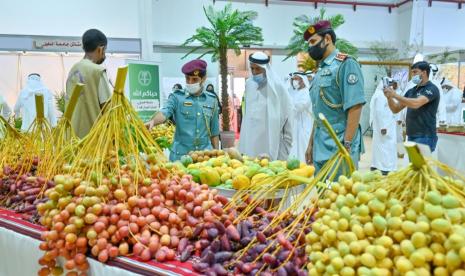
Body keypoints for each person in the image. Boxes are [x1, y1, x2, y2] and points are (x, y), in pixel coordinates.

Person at [303, 20, 366, 173]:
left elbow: (355, 106)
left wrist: (347, 146)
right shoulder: (321, 70)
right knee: (323, 192)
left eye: (313, 41)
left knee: (340, 193)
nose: (310, 47)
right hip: (320, 143)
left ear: (327, 39)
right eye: (308, 43)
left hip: (340, 143)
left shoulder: (346, 64)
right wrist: (311, 143)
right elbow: (319, 113)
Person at [145, 59, 220, 161]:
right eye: (187, 78)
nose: (190, 82)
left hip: (205, 156)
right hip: (181, 155)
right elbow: (165, 112)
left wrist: (216, 155)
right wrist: (153, 121)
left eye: (194, 79)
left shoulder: (211, 100)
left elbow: (214, 131)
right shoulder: (177, 97)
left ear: (203, 78)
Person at [238, 52, 293, 160]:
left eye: (258, 69)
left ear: (266, 68)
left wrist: (286, 146)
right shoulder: (249, 84)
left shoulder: (278, 87)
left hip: (268, 140)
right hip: (251, 139)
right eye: (252, 68)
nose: (254, 72)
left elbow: (288, 115)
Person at [383, 61, 440, 152]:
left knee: (421, 165)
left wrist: (395, 95)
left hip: (425, 136)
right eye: (412, 72)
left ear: (424, 72)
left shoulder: (431, 88)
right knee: (415, 165)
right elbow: (395, 109)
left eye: (415, 72)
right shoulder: (411, 91)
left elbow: (416, 103)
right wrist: (389, 98)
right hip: (412, 135)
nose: (413, 75)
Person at [66, 29, 112, 138]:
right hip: (91, 142)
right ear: (101, 49)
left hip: (71, 140)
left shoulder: (73, 70)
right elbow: (108, 109)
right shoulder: (98, 71)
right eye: (105, 50)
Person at [370, 81, 397, 175]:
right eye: (390, 85)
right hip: (385, 126)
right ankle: (385, 167)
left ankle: (377, 165)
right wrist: (383, 126)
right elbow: (379, 111)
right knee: (386, 147)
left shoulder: (379, 94)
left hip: (385, 124)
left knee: (380, 147)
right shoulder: (381, 95)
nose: (392, 87)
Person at [288, 72, 313, 162]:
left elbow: (301, 106)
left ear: (302, 80)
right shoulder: (294, 92)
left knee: (303, 146)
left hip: (304, 125)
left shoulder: (307, 92)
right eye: (293, 79)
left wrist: (289, 105)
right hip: (295, 125)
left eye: (296, 79)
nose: (294, 81)